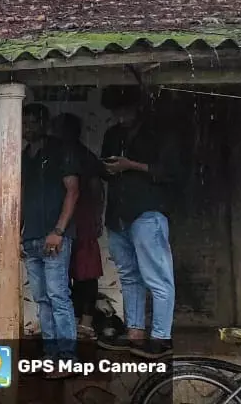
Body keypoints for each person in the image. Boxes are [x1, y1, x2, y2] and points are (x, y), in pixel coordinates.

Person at [96, 86, 177, 359]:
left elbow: (170, 172)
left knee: (158, 276)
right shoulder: (112, 135)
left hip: (147, 212)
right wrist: (107, 168)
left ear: (137, 108)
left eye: (124, 110)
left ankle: (162, 336)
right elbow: (105, 172)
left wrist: (131, 165)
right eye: (115, 112)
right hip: (118, 215)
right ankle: (135, 332)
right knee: (130, 276)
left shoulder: (159, 134)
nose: (119, 116)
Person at [20, 103, 80, 375]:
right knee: (42, 298)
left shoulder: (60, 150)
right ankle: (50, 355)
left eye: (32, 122)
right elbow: (19, 194)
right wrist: (16, 233)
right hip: (30, 237)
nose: (27, 127)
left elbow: (73, 191)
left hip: (55, 236)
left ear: (44, 123)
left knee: (58, 296)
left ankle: (67, 358)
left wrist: (58, 230)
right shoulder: (24, 155)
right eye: (25, 122)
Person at [52, 112, 104, 341]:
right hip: (60, 219)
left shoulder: (84, 156)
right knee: (63, 272)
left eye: (64, 130)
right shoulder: (54, 155)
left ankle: (87, 320)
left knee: (86, 271)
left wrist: (97, 216)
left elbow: (96, 188)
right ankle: (71, 321)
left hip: (82, 217)